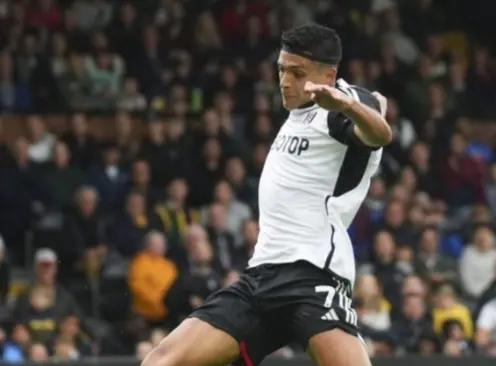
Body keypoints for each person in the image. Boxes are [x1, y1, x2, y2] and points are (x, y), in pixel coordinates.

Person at [142, 23, 391, 366]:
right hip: (260, 278)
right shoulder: (299, 114)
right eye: (282, 69)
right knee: (160, 362)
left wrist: (347, 104)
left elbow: (380, 134)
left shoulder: (339, 109)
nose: (285, 81)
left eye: (297, 72)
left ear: (329, 74)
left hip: (312, 276)